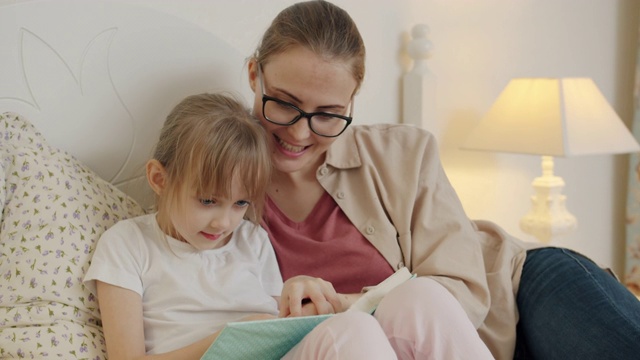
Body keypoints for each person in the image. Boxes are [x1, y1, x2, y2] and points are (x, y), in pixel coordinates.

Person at [246, 1, 640, 359]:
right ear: (254, 75)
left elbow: (462, 293)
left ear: (351, 104)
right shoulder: (217, 186)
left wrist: (342, 304)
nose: (298, 134)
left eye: (328, 114)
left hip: (517, 290)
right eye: (283, 103)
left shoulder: (404, 152)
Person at [83, 93, 406, 359]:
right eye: (207, 201)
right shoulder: (127, 243)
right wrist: (230, 338)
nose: (224, 222)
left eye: (240, 204)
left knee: (360, 326)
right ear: (160, 179)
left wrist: (300, 301)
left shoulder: (251, 239)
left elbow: (278, 331)